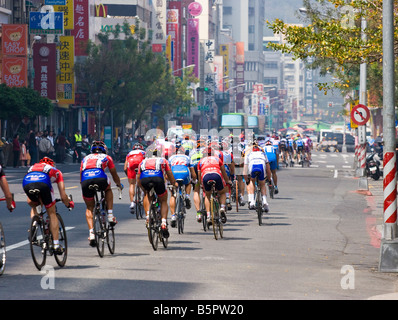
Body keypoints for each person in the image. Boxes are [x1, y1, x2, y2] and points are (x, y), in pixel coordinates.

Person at [22, 157, 74, 254]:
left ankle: (34, 225)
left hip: (27, 182)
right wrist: (69, 203)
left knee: (34, 204)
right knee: (52, 213)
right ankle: (56, 244)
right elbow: (63, 196)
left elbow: (30, 198)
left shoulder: (33, 167)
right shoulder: (56, 171)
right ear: (52, 165)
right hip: (43, 183)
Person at [80, 141, 123, 247]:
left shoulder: (85, 158)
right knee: (108, 189)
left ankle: (91, 233)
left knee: (90, 208)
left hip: (85, 180)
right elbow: (114, 174)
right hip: (100, 178)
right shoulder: (107, 157)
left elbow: (81, 175)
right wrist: (118, 184)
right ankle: (110, 215)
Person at [137, 145, 178, 238]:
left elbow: (138, 178)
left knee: (147, 195)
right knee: (163, 200)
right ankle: (163, 223)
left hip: (145, 179)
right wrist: (174, 183)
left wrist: (142, 188)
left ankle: (148, 216)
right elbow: (169, 173)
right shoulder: (163, 160)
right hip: (158, 179)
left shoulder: (143, 162)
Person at [198, 144, 231, 224]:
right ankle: (222, 207)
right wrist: (227, 181)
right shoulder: (217, 159)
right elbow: (223, 172)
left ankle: (208, 216)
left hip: (206, 176)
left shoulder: (201, 161)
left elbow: (199, 175)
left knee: (207, 196)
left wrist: (201, 184)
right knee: (222, 193)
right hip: (216, 175)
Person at [168, 146, 197, 227]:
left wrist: (168, 181)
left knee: (173, 195)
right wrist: (194, 181)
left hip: (174, 173)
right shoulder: (187, 158)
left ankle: (173, 216)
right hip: (184, 172)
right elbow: (193, 173)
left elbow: (167, 172)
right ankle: (187, 196)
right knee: (188, 183)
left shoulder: (171, 158)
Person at [243, 142, 271, 212]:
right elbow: (268, 168)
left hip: (253, 166)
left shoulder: (248, 154)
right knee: (262, 184)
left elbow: (244, 171)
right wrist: (269, 178)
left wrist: (247, 181)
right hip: (261, 166)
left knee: (252, 181)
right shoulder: (263, 154)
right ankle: (264, 201)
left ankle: (252, 201)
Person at [124, 143, 146, 213]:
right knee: (143, 181)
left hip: (131, 164)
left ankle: (132, 203)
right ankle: (143, 194)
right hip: (140, 162)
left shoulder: (129, 153)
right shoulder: (144, 153)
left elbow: (125, 167)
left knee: (132, 184)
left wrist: (128, 175)